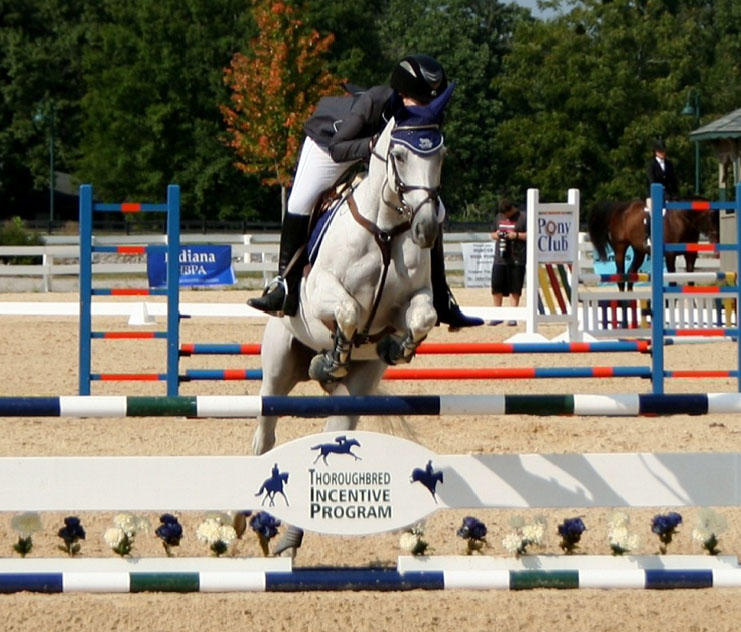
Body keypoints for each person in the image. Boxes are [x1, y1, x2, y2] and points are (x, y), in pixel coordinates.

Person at [247, 54, 482, 329]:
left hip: (387, 156)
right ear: (402, 93)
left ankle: (442, 298)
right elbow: (338, 148)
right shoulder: (373, 102)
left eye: (429, 103)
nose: (424, 109)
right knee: (301, 201)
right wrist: (373, 145)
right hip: (333, 145)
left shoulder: (428, 113)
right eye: (419, 102)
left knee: (435, 210)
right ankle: (284, 285)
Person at [489, 198, 526, 326]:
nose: (505, 217)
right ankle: (497, 315)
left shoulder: (523, 217)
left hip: (517, 257)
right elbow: (492, 234)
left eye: (507, 214)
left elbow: (531, 234)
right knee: (496, 286)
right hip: (500, 257)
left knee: (515, 288)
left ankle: (513, 316)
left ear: (511, 209)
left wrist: (515, 236)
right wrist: (498, 234)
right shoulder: (498, 216)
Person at [644, 138, 679, 247]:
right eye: (660, 151)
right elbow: (651, 180)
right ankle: (648, 236)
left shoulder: (669, 164)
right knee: (651, 213)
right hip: (654, 194)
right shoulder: (651, 165)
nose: (663, 153)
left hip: (668, 194)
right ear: (656, 152)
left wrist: (675, 193)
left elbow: (673, 180)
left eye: (663, 150)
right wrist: (660, 192)